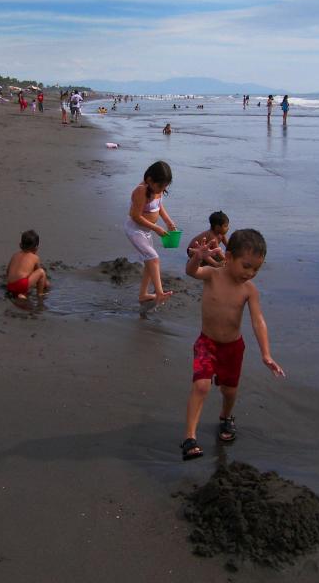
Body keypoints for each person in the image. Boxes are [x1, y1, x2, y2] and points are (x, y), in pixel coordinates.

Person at [181, 229, 285, 460]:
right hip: (207, 343)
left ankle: (226, 418)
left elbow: (258, 321)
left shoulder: (249, 290)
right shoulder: (212, 274)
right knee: (201, 386)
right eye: (246, 266)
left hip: (233, 348)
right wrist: (197, 256)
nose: (251, 273)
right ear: (228, 258)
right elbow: (191, 272)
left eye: (256, 268)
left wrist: (266, 354)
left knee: (229, 391)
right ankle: (190, 437)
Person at [125, 161, 177, 310]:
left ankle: (143, 294)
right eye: (160, 186)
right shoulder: (141, 191)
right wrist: (156, 228)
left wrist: (167, 220)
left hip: (146, 231)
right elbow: (135, 216)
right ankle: (159, 293)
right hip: (135, 229)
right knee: (153, 258)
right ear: (149, 180)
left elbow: (159, 206)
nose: (163, 189)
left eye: (165, 186)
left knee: (149, 262)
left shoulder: (158, 189)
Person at [5, 229, 49, 300]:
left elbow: (7, 272)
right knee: (41, 272)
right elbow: (39, 273)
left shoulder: (15, 255)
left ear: (20, 245)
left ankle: (20, 294)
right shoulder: (35, 257)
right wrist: (46, 284)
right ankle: (40, 295)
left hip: (10, 286)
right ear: (36, 248)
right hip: (21, 285)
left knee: (25, 276)